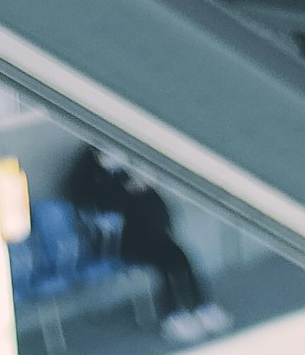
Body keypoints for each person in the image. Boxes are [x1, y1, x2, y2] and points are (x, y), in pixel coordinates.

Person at [65, 143, 222, 340]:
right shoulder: (93, 181)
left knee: (182, 257)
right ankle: (174, 315)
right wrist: (124, 193)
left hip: (154, 236)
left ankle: (202, 306)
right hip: (126, 244)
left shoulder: (124, 176)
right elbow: (104, 211)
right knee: (166, 265)